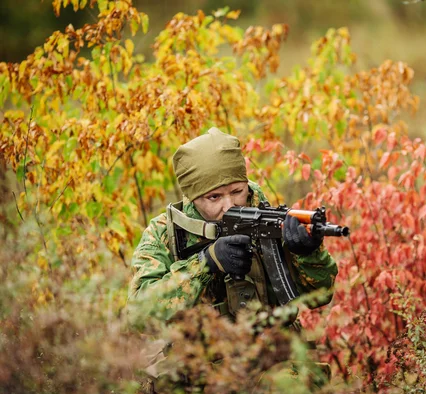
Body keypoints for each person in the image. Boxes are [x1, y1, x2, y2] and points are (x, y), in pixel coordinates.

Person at [128, 127, 338, 323]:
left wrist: (308, 254)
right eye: (214, 197)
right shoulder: (164, 233)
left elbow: (320, 296)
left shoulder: (263, 215)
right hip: (205, 360)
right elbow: (139, 316)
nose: (229, 205)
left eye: (237, 192)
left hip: (279, 352)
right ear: (193, 198)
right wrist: (206, 263)